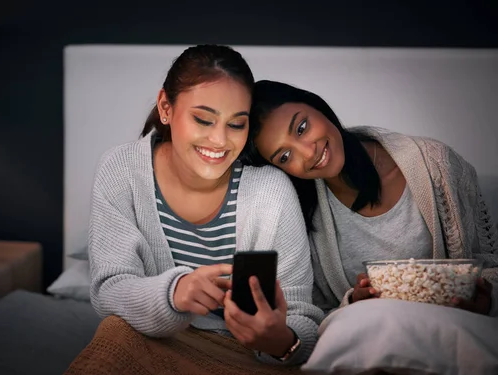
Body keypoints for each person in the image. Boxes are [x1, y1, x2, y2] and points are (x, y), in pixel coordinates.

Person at [65, 47, 324, 375]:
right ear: (165, 108)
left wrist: (280, 339)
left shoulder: (270, 191)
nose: (219, 140)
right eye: (203, 119)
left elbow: (303, 320)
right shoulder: (121, 170)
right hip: (157, 342)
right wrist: (175, 292)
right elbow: (109, 288)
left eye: (236, 124)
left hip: (249, 358)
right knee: (114, 335)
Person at [240, 79, 498, 374]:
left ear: (315, 105)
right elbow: (316, 317)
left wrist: (484, 300)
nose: (307, 153)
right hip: (371, 352)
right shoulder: (300, 212)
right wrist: (354, 301)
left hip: (453, 337)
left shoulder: (438, 164)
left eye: (301, 128)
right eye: (285, 157)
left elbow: (491, 265)